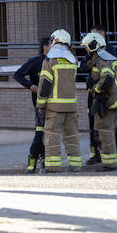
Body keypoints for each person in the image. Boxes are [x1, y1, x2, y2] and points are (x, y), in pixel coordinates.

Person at [82, 31, 117, 171]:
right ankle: (111, 160)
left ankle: (109, 164)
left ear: (93, 46)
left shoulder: (101, 60)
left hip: (106, 101)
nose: (85, 49)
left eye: (86, 46)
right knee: (108, 130)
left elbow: (107, 78)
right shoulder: (107, 57)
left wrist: (96, 89)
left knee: (105, 131)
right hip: (111, 100)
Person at [36, 29, 82, 172]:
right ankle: (75, 166)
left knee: (52, 137)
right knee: (72, 137)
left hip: (55, 108)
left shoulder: (50, 60)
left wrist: (40, 104)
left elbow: (45, 85)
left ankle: (53, 167)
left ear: (54, 41)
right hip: (71, 106)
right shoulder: (72, 60)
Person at [13, 37, 51, 173]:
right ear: (45, 47)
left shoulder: (55, 62)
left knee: (50, 135)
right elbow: (18, 75)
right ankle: (32, 159)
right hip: (39, 106)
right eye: (52, 45)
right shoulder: (36, 62)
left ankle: (46, 160)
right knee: (40, 133)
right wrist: (31, 86)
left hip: (54, 105)